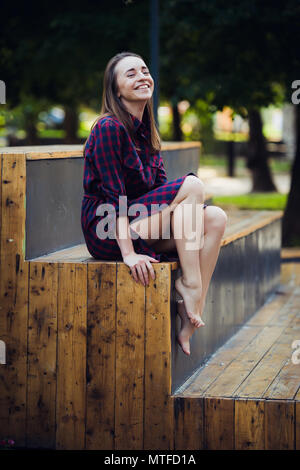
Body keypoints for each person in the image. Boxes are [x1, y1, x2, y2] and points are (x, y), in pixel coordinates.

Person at [81, 51, 227, 356]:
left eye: (144, 70)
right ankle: (191, 286)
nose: (141, 76)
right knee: (193, 184)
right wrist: (130, 254)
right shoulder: (108, 129)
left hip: (141, 221)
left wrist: (184, 215)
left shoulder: (145, 131)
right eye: (130, 74)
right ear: (116, 89)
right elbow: (115, 199)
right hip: (107, 229)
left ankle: (190, 314)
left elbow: (161, 191)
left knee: (215, 218)